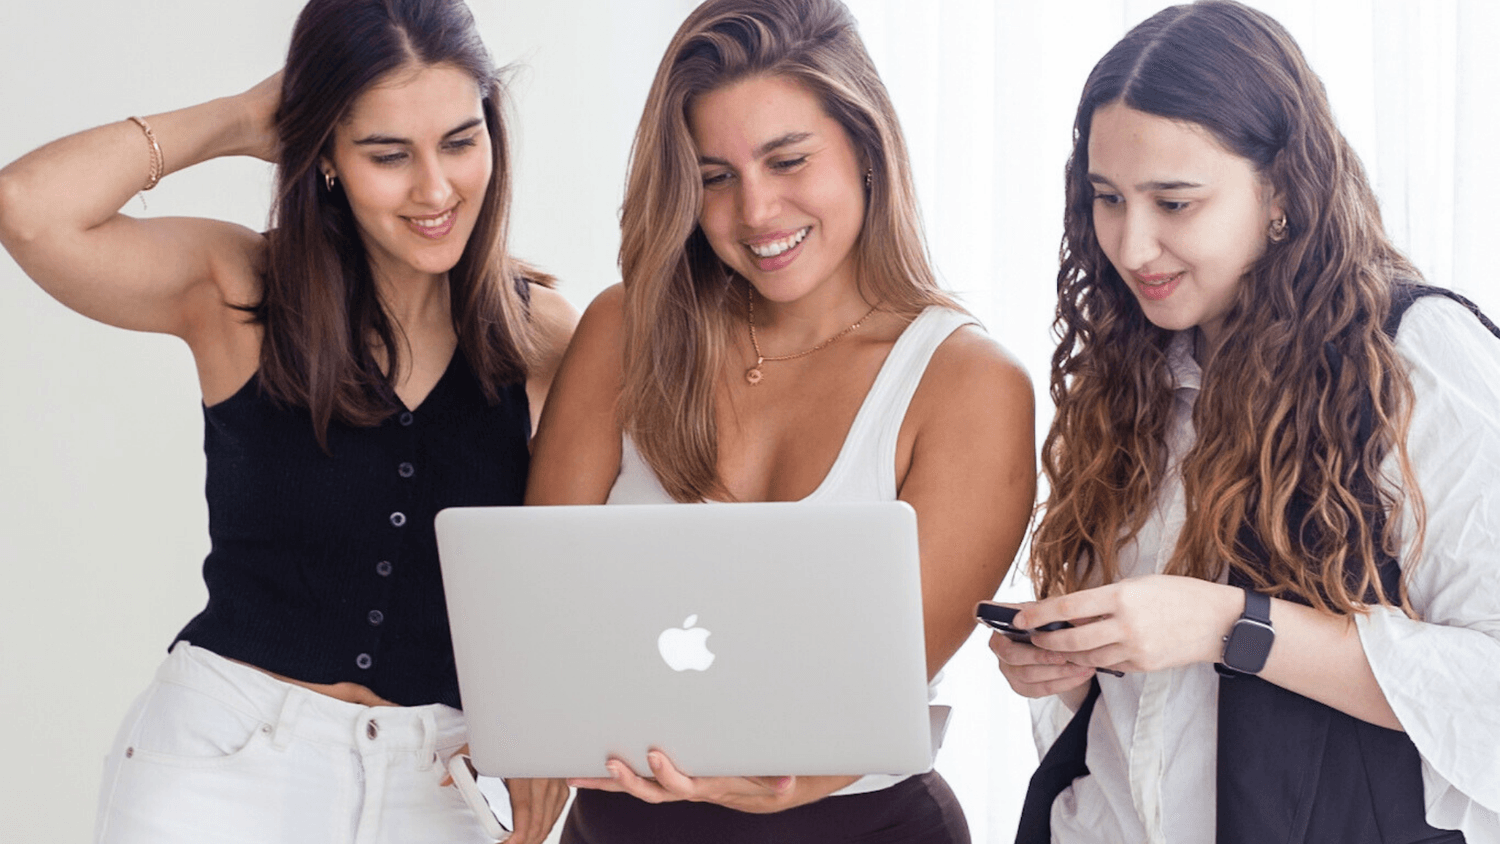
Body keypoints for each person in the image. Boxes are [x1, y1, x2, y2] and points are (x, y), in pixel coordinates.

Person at [0, 0, 577, 841]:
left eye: (461, 140)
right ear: (328, 157)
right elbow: (28, 207)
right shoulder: (239, 291)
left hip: (437, 786)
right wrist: (241, 118)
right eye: (388, 154)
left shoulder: (541, 337)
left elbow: (579, 569)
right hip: (222, 768)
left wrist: (548, 724)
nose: (435, 188)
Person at [523, 0, 1035, 841]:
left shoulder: (968, 384)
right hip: (618, 825)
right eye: (715, 177)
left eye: (788, 159)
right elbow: (536, 607)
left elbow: (877, 693)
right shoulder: (624, 330)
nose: (756, 211)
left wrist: (777, 762)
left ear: (866, 150)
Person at [989, 2, 1500, 842]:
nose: (1131, 246)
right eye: (1107, 198)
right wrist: (1071, 664)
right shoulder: (1128, 374)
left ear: (1282, 192)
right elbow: (1146, 723)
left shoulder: (1415, 359)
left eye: (1175, 203)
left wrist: (1231, 626)